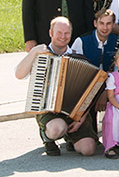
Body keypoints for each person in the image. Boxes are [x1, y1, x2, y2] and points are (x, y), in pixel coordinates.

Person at [15, 17, 99, 156]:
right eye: (59, 32)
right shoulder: (41, 55)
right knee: (56, 129)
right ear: (50, 33)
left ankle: (69, 136)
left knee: (88, 149)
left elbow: (88, 92)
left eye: (67, 33)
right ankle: (47, 136)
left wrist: (81, 118)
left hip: (74, 113)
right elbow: (19, 74)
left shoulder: (78, 58)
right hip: (48, 110)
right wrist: (34, 51)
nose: (63, 36)